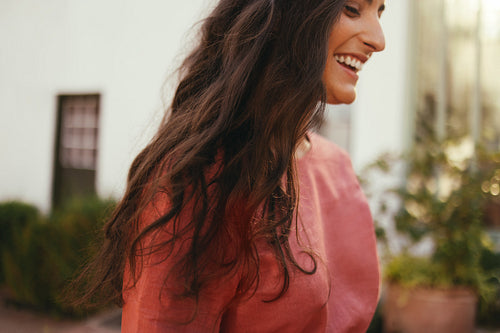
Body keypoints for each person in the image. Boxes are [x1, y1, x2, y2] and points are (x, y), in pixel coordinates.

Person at [76, 0, 386, 331]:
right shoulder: (203, 179)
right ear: (282, 15)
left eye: (380, 13)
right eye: (352, 9)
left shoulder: (336, 168)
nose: (378, 40)